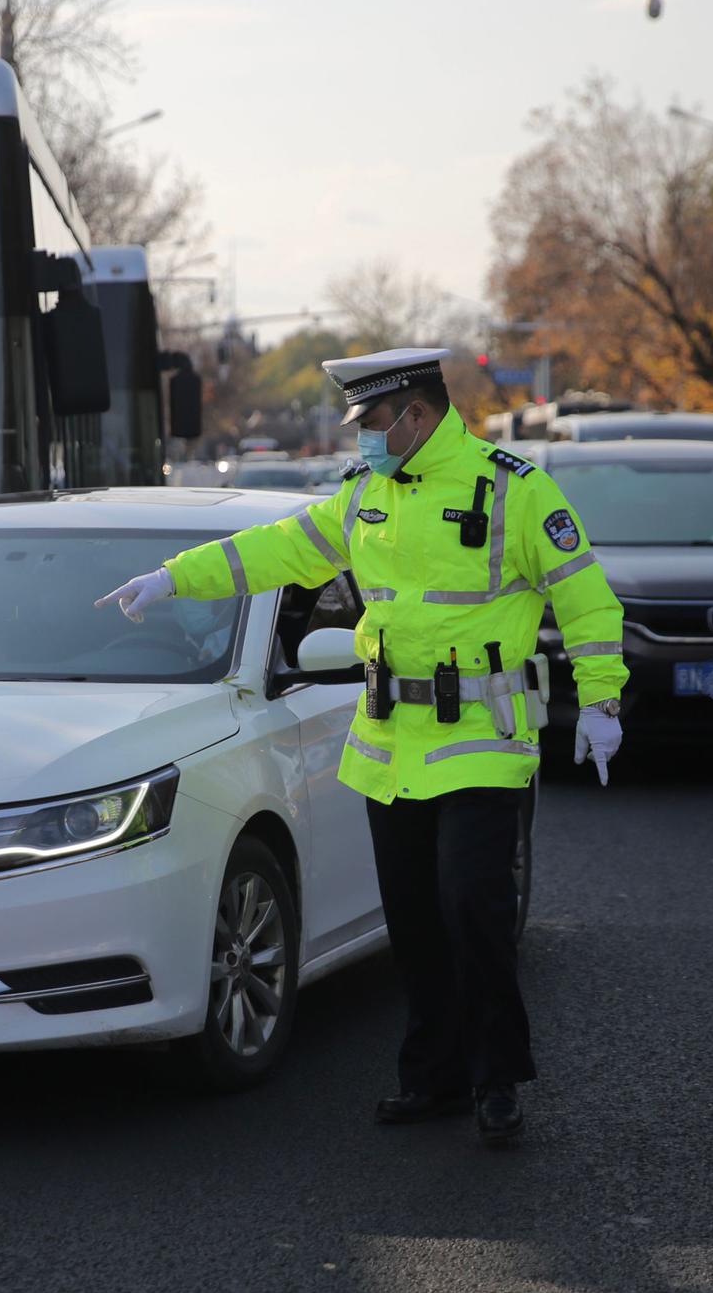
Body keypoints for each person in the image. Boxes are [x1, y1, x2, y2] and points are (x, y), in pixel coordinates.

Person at [98, 347, 629, 1145]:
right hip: (389, 745)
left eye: (374, 422)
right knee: (412, 922)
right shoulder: (362, 496)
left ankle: (496, 1080)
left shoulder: (512, 488)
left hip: (481, 741)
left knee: (473, 908)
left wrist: (601, 699)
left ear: (417, 413)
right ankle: (434, 1077)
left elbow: (585, 597)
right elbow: (274, 549)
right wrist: (175, 578)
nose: (364, 439)